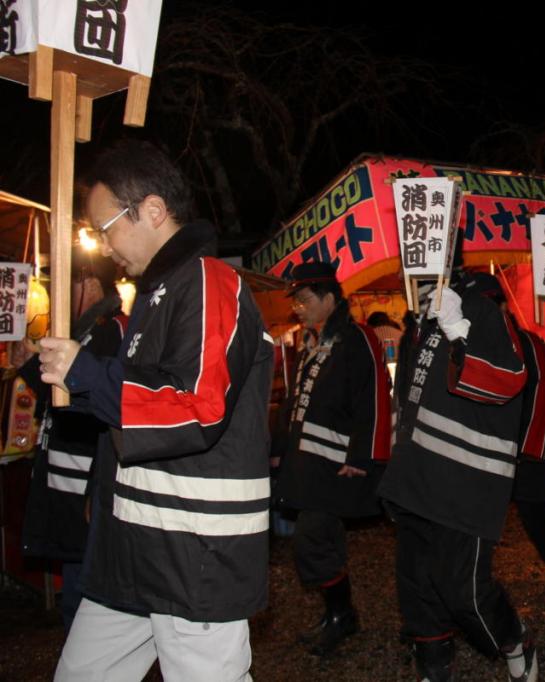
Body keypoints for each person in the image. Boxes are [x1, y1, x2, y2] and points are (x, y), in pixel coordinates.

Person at [38, 140, 274, 681]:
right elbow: (133, 400)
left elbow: (198, 407)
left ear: (151, 209)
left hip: (195, 548)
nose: (102, 245)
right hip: (136, 543)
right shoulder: (159, 291)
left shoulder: (212, 280)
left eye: (106, 227)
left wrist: (89, 376)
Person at [378, 266, 536, 682]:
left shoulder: (481, 309)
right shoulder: (418, 318)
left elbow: (510, 378)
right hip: (416, 479)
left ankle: (515, 638)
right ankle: (434, 669)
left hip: (464, 481)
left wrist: (458, 329)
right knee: (416, 591)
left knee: (464, 593)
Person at [273, 262, 391, 656]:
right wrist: (279, 449)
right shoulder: (314, 341)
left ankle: (342, 615)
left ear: (329, 298)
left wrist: (363, 455)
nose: (298, 309)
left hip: (335, 464)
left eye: (305, 300)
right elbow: (296, 404)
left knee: (311, 539)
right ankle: (338, 614)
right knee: (321, 539)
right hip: (308, 463)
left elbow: (374, 396)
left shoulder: (356, 338)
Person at [17, 248, 126, 631]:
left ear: (93, 284)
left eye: (71, 282)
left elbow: (106, 408)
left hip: (85, 482)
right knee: (76, 581)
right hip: (65, 481)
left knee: (86, 591)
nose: (62, 291)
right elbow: (38, 379)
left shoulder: (112, 330)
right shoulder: (81, 329)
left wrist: (97, 490)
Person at [477, 276, 545, 606]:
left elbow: (541, 400)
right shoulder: (473, 346)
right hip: (487, 450)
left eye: (488, 307)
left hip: (529, 451)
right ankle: (476, 585)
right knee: (477, 518)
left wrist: (524, 451)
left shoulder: (531, 346)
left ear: (504, 307)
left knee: (535, 516)